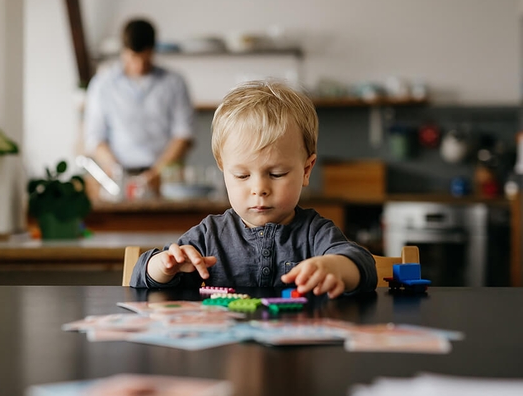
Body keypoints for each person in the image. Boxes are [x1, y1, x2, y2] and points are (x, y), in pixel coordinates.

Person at [130, 80, 377, 297]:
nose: (259, 188)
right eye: (242, 175)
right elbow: (140, 280)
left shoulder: (315, 233)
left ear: (306, 170)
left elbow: (363, 265)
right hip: (226, 347)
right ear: (223, 171)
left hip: (294, 344)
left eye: (276, 173)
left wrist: (336, 267)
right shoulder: (208, 236)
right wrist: (163, 267)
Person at [84, 18, 193, 194]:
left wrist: (157, 172)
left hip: (165, 177)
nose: (140, 65)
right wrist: (116, 170)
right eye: (134, 57)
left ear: (153, 50)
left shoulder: (174, 83)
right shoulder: (102, 84)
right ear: (123, 51)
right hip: (117, 178)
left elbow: (183, 135)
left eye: (146, 57)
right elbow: (95, 137)